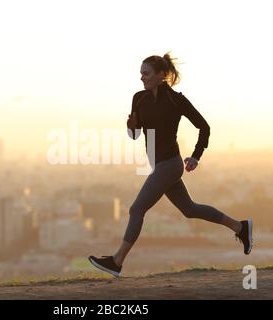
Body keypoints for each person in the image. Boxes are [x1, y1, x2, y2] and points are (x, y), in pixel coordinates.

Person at [88, 52, 253, 278]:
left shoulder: (176, 100)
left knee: (137, 209)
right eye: (140, 74)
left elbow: (204, 128)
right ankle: (240, 227)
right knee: (190, 209)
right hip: (159, 166)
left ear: (161, 75)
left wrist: (196, 156)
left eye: (146, 73)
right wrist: (131, 126)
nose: (142, 78)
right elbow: (135, 134)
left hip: (170, 164)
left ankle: (117, 261)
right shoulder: (139, 98)